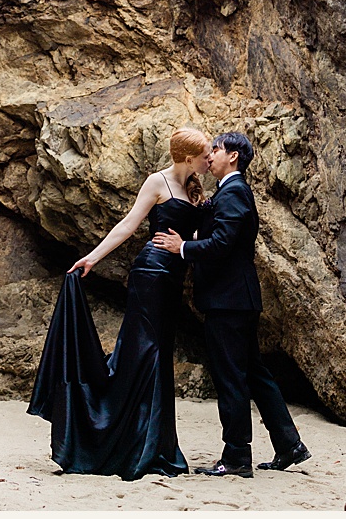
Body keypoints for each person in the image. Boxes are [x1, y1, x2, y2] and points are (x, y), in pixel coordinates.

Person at [28, 126, 210, 480]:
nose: (209, 160)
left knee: (154, 356)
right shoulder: (157, 182)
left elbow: (197, 239)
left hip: (172, 280)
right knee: (145, 354)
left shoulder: (196, 190)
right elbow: (128, 224)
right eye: (204, 155)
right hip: (150, 276)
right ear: (189, 158)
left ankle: (150, 443)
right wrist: (92, 258)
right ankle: (135, 445)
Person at [152, 131, 310, 476]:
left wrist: (181, 248)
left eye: (217, 150)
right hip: (237, 299)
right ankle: (289, 444)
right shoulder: (228, 192)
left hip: (229, 301)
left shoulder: (235, 191)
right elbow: (221, 235)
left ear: (233, 156)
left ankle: (237, 457)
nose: (210, 156)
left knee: (231, 379)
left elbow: (223, 243)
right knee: (255, 374)